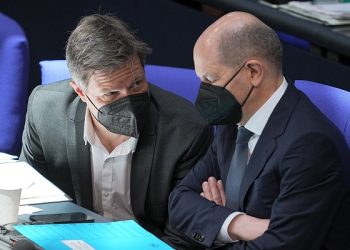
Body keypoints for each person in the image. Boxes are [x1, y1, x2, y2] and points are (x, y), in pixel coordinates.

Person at [19, 14, 213, 243]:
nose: (128, 101)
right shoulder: (45, 111)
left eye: (137, 84)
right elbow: (30, 201)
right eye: (111, 94)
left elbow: (185, 233)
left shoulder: (186, 130)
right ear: (81, 92)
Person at [169, 11, 350, 250]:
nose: (203, 92)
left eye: (211, 79)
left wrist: (214, 220)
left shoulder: (310, 145)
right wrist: (237, 223)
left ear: (253, 72)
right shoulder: (232, 122)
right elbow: (179, 201)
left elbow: (279, 246)